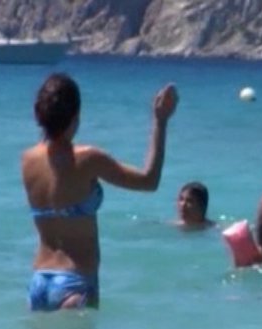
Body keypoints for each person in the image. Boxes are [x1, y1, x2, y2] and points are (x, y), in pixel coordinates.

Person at [22, 73, 178, 311]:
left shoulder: (27, 160)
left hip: (39, 282)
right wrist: (161, 121)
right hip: (74, 283)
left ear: (38, 113)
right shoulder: (88, 159)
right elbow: (149, 180)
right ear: (76, 116)